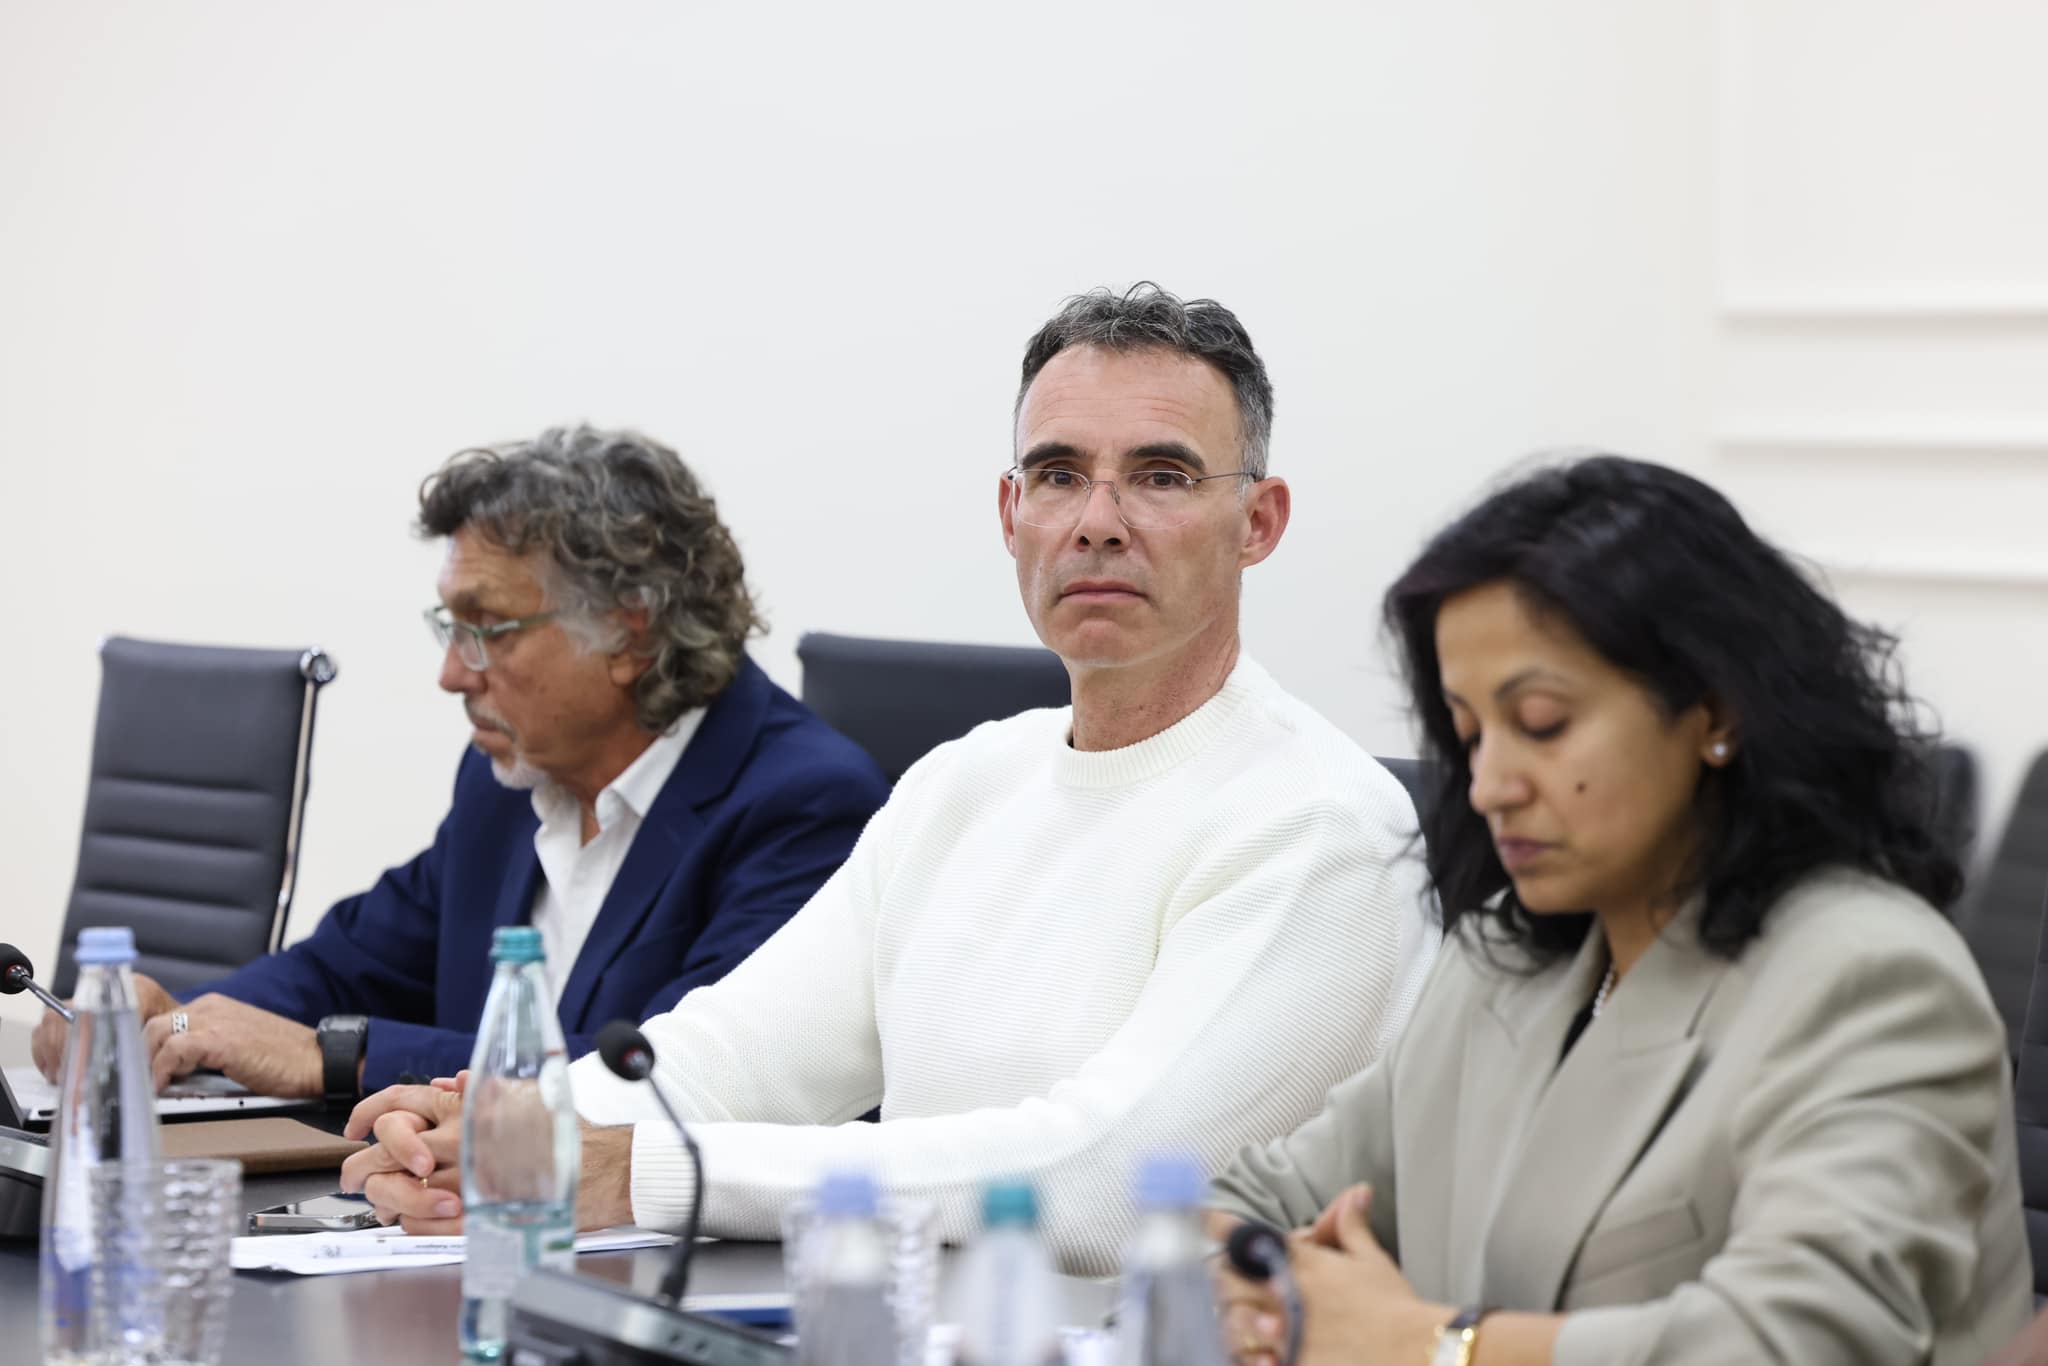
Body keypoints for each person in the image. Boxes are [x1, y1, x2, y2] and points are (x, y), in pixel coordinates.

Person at [341, 284, 1440, 1274]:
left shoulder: (1321, 825)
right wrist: (499, 1128)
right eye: (1058, 476)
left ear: (1257, 523)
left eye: (1160, 476)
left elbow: (1104, 1184)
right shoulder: (962, 782)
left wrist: (635, 1172)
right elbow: (735, 1054)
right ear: (1011, 514)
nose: (1097, 523)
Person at [1207, 455, 2029, 1364]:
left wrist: (1430, 1346)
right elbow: (1254, 1207)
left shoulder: (1872, 981)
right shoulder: (1503, 960)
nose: (1488, 785)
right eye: (1470, 733)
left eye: (1543, 723)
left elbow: (1796, 1342)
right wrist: (1259, 1289)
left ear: (1715, 710)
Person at [33, 425, 888, 1102]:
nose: (452, 674)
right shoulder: (506, 781)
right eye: (451, 628)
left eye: (488, 630)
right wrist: (175, 1022)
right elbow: (349, 965)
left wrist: (337, 1056)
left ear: (629, 635)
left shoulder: (802, 807)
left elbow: (674, 1080)